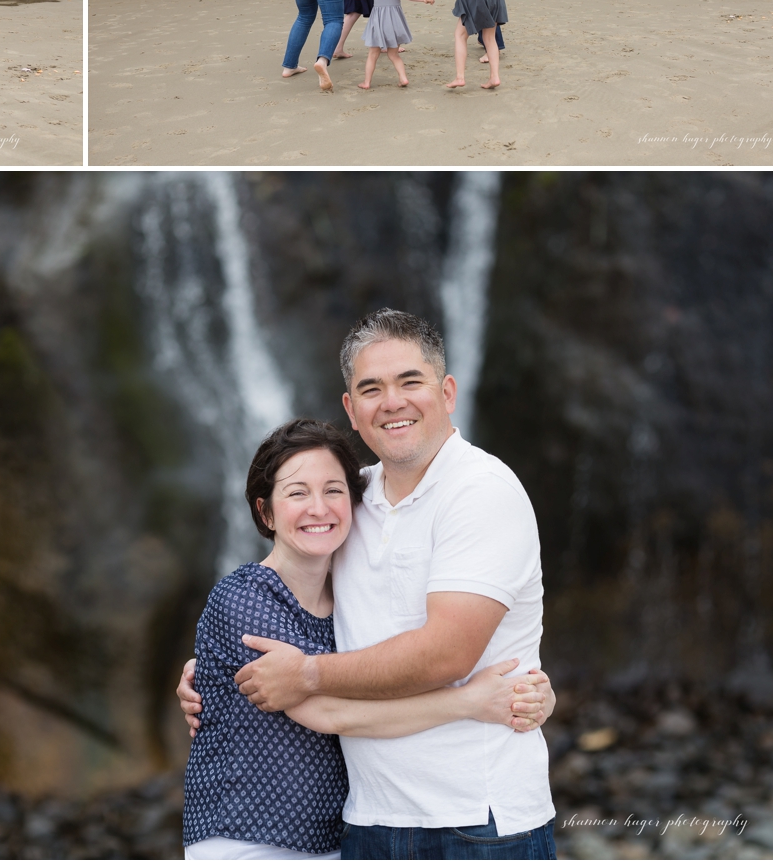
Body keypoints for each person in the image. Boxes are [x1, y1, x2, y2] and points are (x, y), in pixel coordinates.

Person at [179, 310, 559, 860]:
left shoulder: (482, 492)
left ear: (447, 391)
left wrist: (306, 674)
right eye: (371, 388)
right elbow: (282, 592)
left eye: (411, 381)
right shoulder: (350, 502)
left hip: (475, 821)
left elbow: (447, 653)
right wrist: (208, 672)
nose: (392, 401)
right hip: (365, 824)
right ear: (351, 410)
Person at [352, 0, 427, 91]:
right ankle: (403, 78)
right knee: (394, 55)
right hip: (394, 24)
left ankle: (367, 82)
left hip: (377, 23)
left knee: (373, 54)